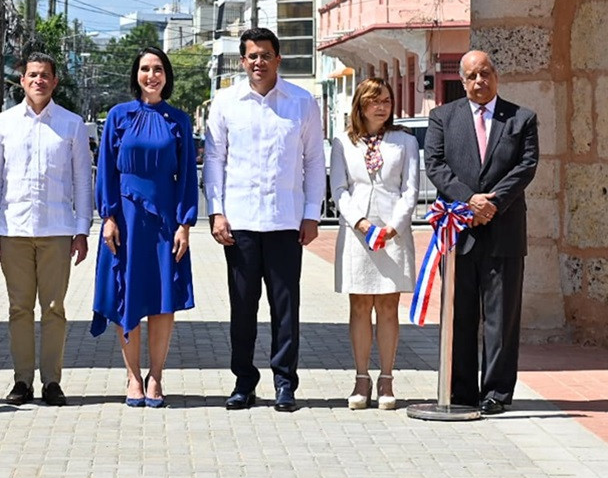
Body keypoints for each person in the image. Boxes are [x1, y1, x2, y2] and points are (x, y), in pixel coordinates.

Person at [203, 27, 325, 412]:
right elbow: (215, 161)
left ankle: (285, 383)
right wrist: (216, 211)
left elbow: (314, 161)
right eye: (252, 56)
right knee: (243, 307)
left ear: (278, 59)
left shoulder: (302, 102)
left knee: (285, 308)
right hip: (239, 222)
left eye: (265, 55)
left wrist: (311, 214)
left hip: (286, 221)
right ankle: (244, 382)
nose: (259, 62)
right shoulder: (225, 102)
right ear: (243, 61)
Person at [425, 50, 538, 415]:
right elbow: (435, 164)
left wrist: (493, 203)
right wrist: (469, 200)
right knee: (460, 315)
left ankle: (496, 394)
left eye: (485, 73)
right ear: (462, 80)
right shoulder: (443, 117)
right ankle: (461, 392)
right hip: (460, 234)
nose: (479, 82)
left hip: (504, 231)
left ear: (496, 75)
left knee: (501, 317)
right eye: (472, 76)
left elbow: (526, 165)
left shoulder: (521, 118)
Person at [0, 52, 93, 406]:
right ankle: (22, 381)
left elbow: (81, 180)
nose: (38, 81)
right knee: (19, 309)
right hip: (13, 229)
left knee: (54, 308)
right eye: (32, 75)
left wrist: (81, 229)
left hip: (57, 229)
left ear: (55, 81)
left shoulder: (72, 124)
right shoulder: (3, 124)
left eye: (45, 75)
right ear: (22, 80)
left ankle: (52, 381)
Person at [91, 47, 198, 408]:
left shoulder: (179, 120)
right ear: (135, 74)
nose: (151, 75)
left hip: (165, 220)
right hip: (125, 219)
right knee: (128, 294)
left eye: (157, 69)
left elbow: (186, 177)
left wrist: (185, 223)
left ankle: (156, 375)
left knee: (162, 299)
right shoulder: (118, 116)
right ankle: (132, 376)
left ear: (167, 75)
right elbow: (106, 168)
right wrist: (107, 216)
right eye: (144, 69)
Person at [329, 78, 419, 410]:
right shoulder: (342, 142)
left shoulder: (404, 142)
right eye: (374, 101)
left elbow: (410, 189)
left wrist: (394, 227)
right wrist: (362, 224)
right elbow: (339, 189)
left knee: (388, 307)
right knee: (359, 306)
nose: (381, 106)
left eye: (386, 100)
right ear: (360, 105)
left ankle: (387, 378)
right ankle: (361, 377)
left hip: (392, 233)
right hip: (357, 232)